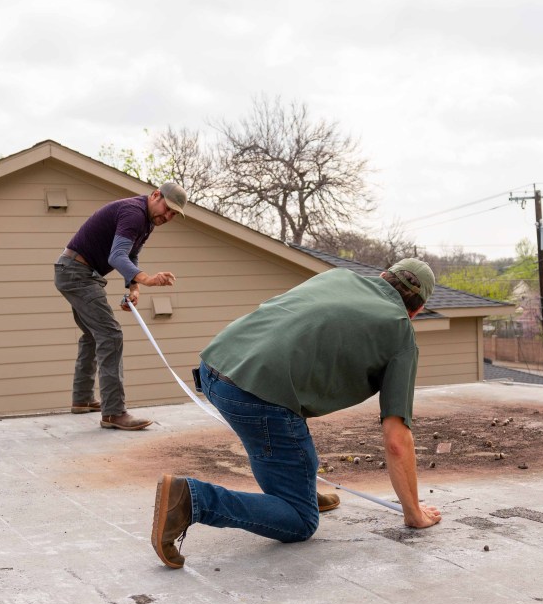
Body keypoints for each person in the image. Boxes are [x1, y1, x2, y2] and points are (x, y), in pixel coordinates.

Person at [151, 258, 443, 569]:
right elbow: (397, 440)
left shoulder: (340, 277)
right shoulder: (400, 332)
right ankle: (193, 500)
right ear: (417, 310)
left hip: (214, 368)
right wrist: (413, 513)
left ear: (384, 276)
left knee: (284, 429)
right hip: (256, 397)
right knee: (301, 520)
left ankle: (298, 487)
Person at [54, 181, 187, 431]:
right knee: (110, 335)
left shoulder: (146, 219)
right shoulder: (134, 213)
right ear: (155, 195)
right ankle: (113, 413)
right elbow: (116, 257)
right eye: (167, 208)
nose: (168, 216)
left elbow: (130, 254)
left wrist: (133, 288)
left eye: (173, 214)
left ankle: (81, 399)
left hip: (73, 272)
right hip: (77, 273)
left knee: (93, 335)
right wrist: (147, 279)